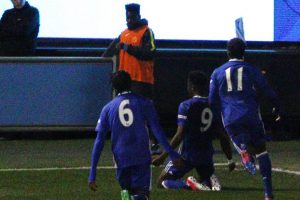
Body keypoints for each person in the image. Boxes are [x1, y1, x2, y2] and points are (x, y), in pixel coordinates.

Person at [88, 70, 183, 200]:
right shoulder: (145, 103)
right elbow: (157, 131)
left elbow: (99, 142)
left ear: (114, 87)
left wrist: (92, 173)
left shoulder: (108, 108)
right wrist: (172, 154)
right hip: (141, 156)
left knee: (128, 192)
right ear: (130, 83)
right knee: (142, 195)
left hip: (120, 159)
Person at [209, 38, 282, 200]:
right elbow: (267, 90)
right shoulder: (251, 69)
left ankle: (243, 151)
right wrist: (277, 106)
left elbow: (212, 100)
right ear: (244, 52)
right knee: (262, 150)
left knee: (239, 139)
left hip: (230, 117)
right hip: (251, 114)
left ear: (227, 52)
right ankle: (268, 194)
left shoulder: (217, 72)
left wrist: (216, 116)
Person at [152, 70, 235, 191]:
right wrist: (230, 159)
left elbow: (180, 134)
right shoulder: (213, 106)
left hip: (187, 155)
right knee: (204, 179)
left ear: (192, 87)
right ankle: (209, 179)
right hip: (206, 156)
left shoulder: (186, 105)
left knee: (162, 182)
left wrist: (163, 157)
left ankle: (189, 185)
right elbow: (222, 135)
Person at [102, 3, 160, 154]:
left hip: (142, 80)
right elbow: (109, 51)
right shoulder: (123, 34)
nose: (129, 20)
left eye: (132, 17)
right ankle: (132, 143)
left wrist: (129, 48)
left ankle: (154, 144)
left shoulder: (147, 32)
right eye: (127, 17)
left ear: (138, 17)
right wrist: (103, 63)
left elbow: (150, 52)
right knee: (129, 115)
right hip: (125, 82)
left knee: (146, 114)